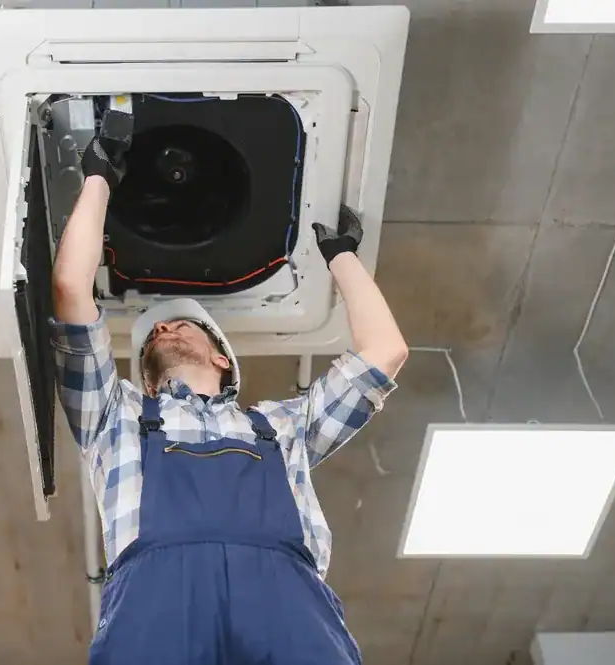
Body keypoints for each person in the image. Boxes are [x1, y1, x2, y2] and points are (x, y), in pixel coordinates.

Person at [51, 135, 409, 665]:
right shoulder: (116, 417)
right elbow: (70, 287)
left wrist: (343, 259)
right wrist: (99, 178)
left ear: (223, 359)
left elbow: (386, 351)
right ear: (144, 378)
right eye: (152, 333)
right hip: (156, 598)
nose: (163, 327)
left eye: (180, 325)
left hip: (287, 596)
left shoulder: (283, 426)